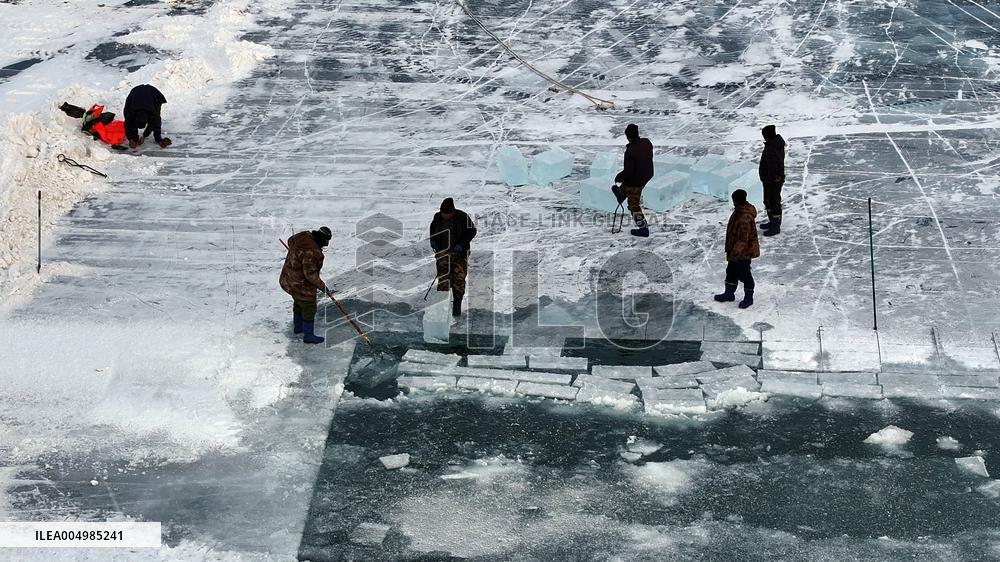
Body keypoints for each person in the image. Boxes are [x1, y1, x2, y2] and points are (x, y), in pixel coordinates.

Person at [280, 227, 333, 344]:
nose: (327, 244)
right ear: (322, 239)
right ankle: (308, 335)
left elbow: (290, 240)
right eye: (326, 241)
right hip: (300, 284)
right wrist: (322, 286)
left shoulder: (303, 236)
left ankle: (298, 327)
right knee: (309, 307)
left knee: (298, 302)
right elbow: (310, 274)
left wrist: (297, 253)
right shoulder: (313, 252)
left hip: (288, 278)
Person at [429, 198, 477, 317]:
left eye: (447, 214)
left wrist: (462, 244)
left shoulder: (462, 217)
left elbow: (472, 231)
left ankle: (457, 305)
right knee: (444, 279)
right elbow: (432, 229)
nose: (444, 216)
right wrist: (433, 240)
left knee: (458, 280)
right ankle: (443, 306)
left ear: (452, 212)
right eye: (443, 213)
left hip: (459, 255)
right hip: (443, 253)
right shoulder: (437, 217)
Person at [714, 189, 760, 309]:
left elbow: (743, 239)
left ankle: (749, 298)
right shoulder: (739, 211)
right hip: (736, 251)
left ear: (736, 201)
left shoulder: (744, 216)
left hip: (743, 253)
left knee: (745, 275)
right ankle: (729, 294)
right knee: (731, 272)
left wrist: (735, 253)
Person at [613, 123, 654, 237]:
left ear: (628, 137)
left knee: (633, 205)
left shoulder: (630, 152)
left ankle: (643, 229)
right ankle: (622, 193)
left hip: (637, 180)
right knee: (627, 187)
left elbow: (628, 172)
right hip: (648, 175)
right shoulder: (647, 142)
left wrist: (618, 177)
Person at [123, 84, 171, 149]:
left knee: (156, 120)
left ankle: (158, 138)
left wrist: (144, 136)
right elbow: (127, 124)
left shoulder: (152, 112)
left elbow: (152, 123)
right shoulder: (131, 111)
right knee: (130, 121)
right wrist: (131, 139)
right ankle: (135, 138)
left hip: (154, 94)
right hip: (135, 93)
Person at [758, 124, 785, 236]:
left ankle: (775, 226)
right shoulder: (773, 144)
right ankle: (772, 222)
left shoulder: (772, 147)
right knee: (769, 201)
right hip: (770, 179)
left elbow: (773, 165)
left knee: (773, 202)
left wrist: (772, 178)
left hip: (772, 180)